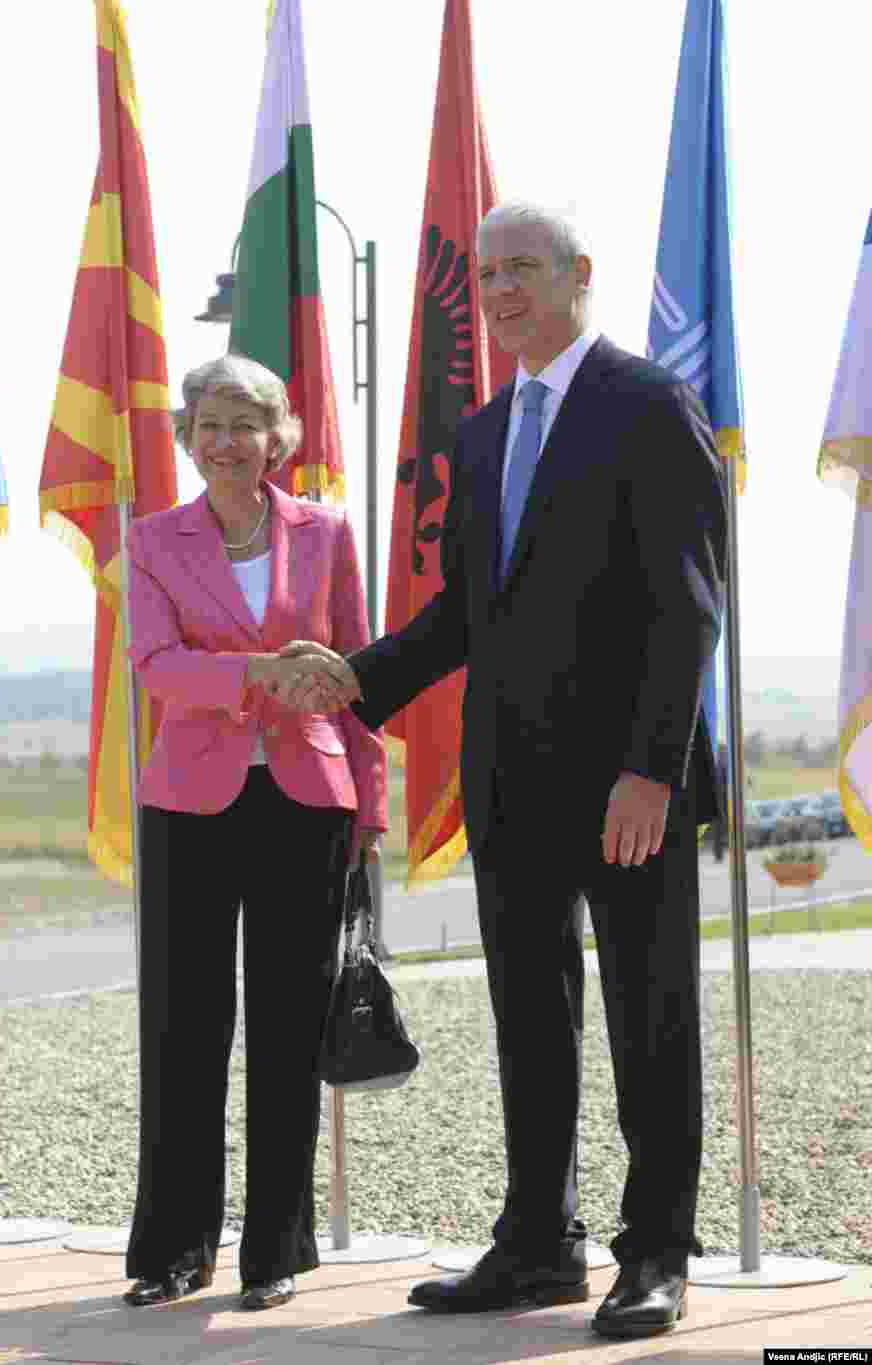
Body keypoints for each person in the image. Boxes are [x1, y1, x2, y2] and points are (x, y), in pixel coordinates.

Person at [276, 203, 728, 1340]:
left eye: (522, 267)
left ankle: (656, 1254)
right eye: (485, 274)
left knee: (649, 1016)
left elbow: (686, 610)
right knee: (532, 1019)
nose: (501, 290)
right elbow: (465, 617)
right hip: (510, 782)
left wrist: (652, 773)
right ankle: (537, 1247)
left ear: (580, 272)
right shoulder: (481, 437)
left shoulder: (649, 406)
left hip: (630, 790)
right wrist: (355, 675)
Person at [121, 355, 387, 1312]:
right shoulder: (151, 539)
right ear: (187, 438)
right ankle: (172, 1245)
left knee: (287, 1030)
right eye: (209, 423)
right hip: (188, 804)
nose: (226, 440)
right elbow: (156, 664)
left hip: (308, 804)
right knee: (182, 1028)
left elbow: (360, 678)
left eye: (246, 422)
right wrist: (261, 672)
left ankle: (274, 1248)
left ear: (281, 438)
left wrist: (374, 804)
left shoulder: (327, 533)